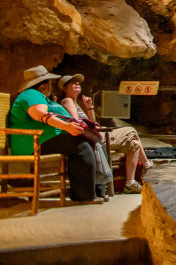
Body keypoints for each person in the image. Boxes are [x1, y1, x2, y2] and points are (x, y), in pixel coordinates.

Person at [9, 66, 98, 202]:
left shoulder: (39, 96)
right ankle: (84, 196)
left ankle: (85, 193)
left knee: (83, 143)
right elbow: (39, 114)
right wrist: (66, 126)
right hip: (33, 142)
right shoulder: (31, 94)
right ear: (44, 85)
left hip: (42, 140)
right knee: (81, 146)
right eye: (49, 83)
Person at [58, 74, 153, 194]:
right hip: (91, 139)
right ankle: (147, 165)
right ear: (64, 88)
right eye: (73, 82)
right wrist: (95, 128)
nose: (77, 84)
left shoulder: (75, 103)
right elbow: (77, 121)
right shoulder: (67, 101)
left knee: (133, 143)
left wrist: (89, 107)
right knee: (131, 131)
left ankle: (130, 183)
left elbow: (92, 123)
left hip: (93, 135)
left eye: (78, 82)